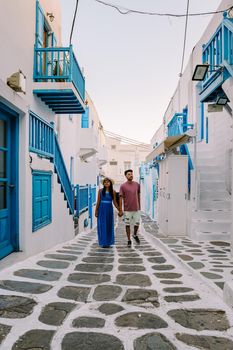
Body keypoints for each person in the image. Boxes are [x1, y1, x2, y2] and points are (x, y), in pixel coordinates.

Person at [95, 177, 120, 247]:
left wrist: (119, 210)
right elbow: (98, 202)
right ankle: (103, 242)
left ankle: (108, 242)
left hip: (109, 210)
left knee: (109, 225)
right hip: (102, 209)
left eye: (108, 182)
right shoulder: (100, 191)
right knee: (102, 225)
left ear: (110, 183)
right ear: (103, 183)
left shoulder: (113, 192)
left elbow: (114, 202)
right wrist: (96, 210)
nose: (106, 183)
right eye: (105, 182)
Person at [119, 169, 140, 247]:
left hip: (136, 209)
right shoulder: (123, 186)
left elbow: (138, 195)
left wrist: (139, 206)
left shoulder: (137, 184)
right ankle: (129, 240)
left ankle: (134, 234)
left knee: (137, 224)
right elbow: (120, 198)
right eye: (128, 174)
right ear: (126, 176)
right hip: (127, 209)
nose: (131, 175)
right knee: (127, 225)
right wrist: (120, 209)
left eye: (131, 174)